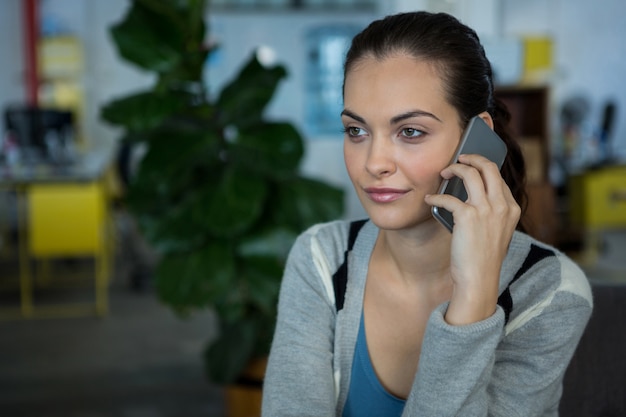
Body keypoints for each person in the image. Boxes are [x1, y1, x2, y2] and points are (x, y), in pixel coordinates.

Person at [262, 11, 592, 417]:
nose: (374, 162)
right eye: (356, 131)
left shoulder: (550, 291)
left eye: (411, 131)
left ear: (478, 137)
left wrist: (474, 299)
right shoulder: (322, 259)